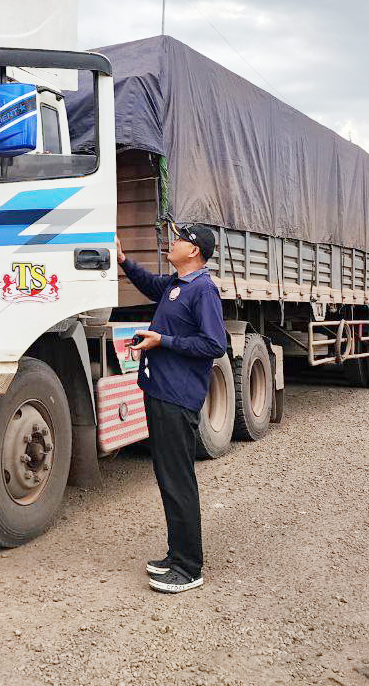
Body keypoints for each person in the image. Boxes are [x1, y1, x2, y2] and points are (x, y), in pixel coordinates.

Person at [117, 222, 224, 594]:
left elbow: (214, 345)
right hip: (160, 392)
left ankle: (189, 567)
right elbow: (149, 284)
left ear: (193, 251)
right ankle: (176, 554)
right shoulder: (177, 285)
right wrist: (123, 261)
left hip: (178, 397)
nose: (172, 242)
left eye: (179, 239)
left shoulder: (203, 290)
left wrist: (163, 340)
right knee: (167, 477)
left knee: (178, 479)